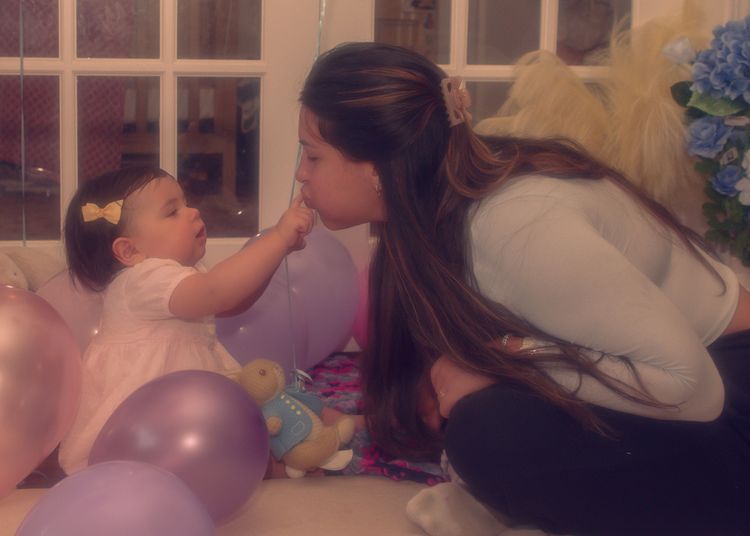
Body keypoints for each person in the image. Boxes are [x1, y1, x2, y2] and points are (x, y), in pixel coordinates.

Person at [295, 42, 750, 535]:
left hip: (728, 392)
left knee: (486, 433)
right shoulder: (439, 202)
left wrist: (506, 363)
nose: (301, 173)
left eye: (313, 155)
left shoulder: (514, 226)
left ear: (377, 169)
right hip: (686, 388)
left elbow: (694, 389)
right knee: (467, 402)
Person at [58, 166, 313, 474]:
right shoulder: (142, 280)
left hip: (178, 413)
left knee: (239, 434)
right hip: (144, 425)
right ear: (130, 250)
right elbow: (218, 294)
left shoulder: (179, 278)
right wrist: (278, 238)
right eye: (172, 212)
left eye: (186, 203)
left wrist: (277, 255)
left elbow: (234, 301)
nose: (193, 212)